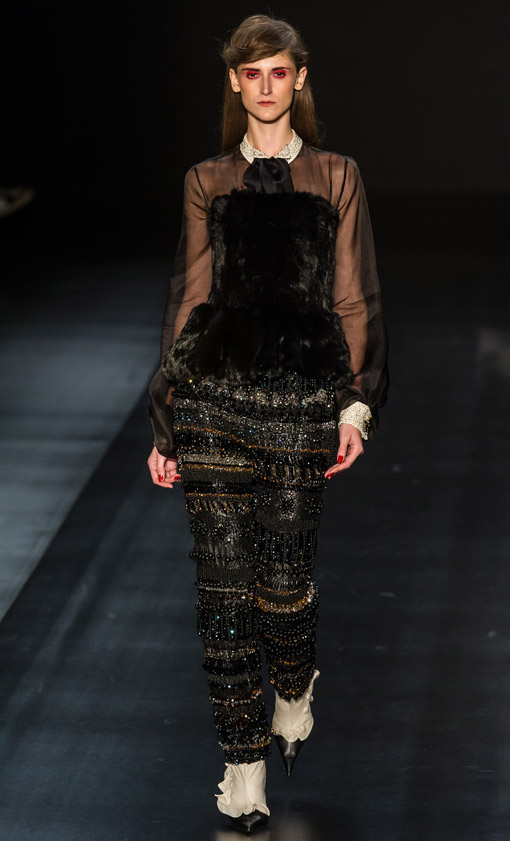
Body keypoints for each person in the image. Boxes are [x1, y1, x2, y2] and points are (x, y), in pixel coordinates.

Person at [146, 13, 388, 834]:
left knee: (281, 590)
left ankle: (293, 683)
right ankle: (242, 767)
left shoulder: (337, 174)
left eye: (279, 71)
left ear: (299, 78)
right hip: (213, 401)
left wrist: (355, 401)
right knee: (221, 592)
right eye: (251, 73)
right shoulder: (207, 179)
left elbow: (353, 293)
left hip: (297, 402)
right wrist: (165, 419)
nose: (265, 86)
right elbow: (189, 295)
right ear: (234, 82)